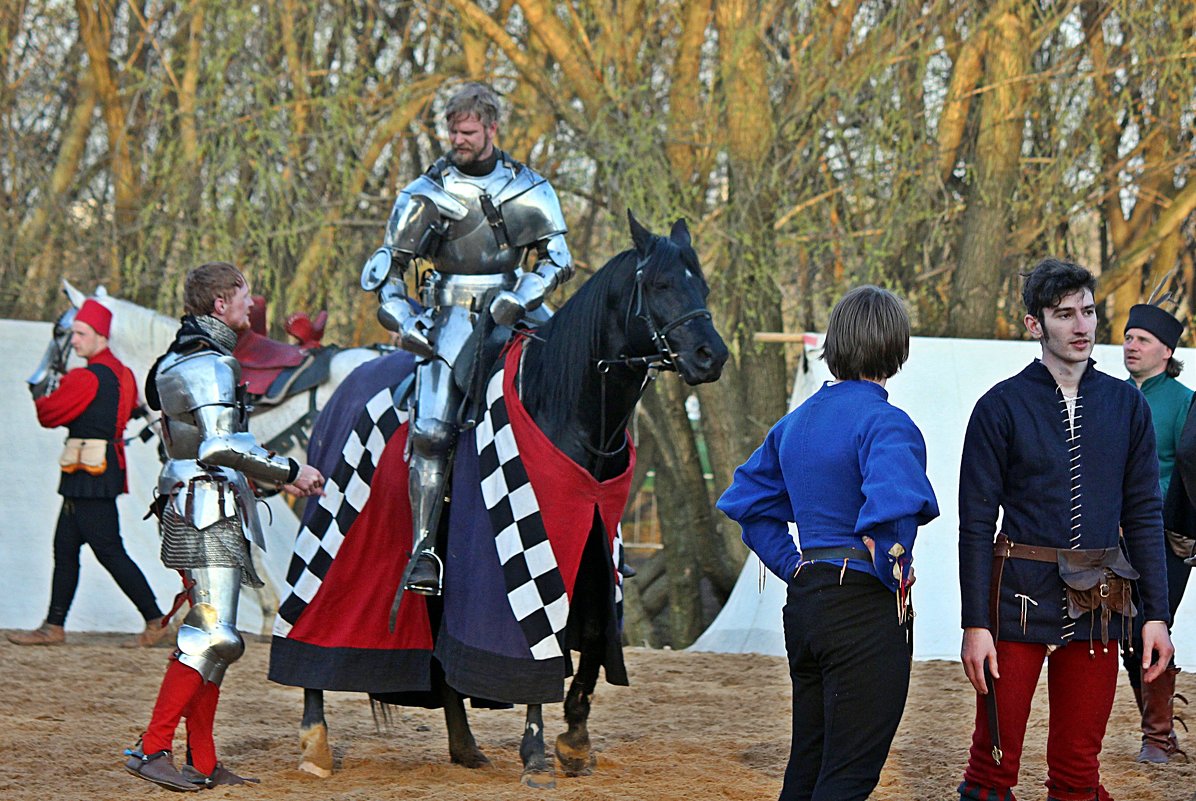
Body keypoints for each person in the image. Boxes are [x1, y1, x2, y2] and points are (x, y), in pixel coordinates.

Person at [957, 258, 1174, 801]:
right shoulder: (1000, 406)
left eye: (1089, 312)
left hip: (1101, 599)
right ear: (1035, 325)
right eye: (1063, 314)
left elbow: (1145, 514)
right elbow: (976, 523)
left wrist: (1157, 616)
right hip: (1019, 595)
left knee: (1079, 769)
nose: (1081, 327)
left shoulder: (1126, 405)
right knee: (992, 765)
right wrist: (974, 623)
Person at [718, 285, 939, 801]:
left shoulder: (793, 424)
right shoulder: (887, 423)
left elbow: (746, 502)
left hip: (806, 600)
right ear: (895, 347)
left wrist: (793, 566)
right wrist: (891, 571)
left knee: (808, 763)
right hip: (862, 605)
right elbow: (893, 511)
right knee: (849, 775)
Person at [359, 81, 573, 595]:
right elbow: (389, 269)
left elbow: (557, 259)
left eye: (469, 131)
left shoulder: (527, 188)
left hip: (517, 307)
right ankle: (424, 551)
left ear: (492, 129)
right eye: (453, 130)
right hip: (449, 316)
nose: (459, 139)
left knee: (575, 391)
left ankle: (597, 535)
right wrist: (402, 320)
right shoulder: (425, 194)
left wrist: (521, 296)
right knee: (432, 432)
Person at [124, 262, 324, 792]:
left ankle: (204, 760)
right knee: (214, 634)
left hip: (206, 499)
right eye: (244, 296)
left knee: (215, 637)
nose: (250, 305)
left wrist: (268, 480)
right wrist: (289, 471)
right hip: (203, 504)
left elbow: (204, 445)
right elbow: (218, 446)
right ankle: (151, 748)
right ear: (219, 304)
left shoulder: (188, 357)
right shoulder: (208, 364)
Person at [8, 298, 169, 648]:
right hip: (97, 469)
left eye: (81, 334)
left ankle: (155, 619)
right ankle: (54, 626)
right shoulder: (124, 374)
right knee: (64, 546)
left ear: (100, 336)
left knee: (109, 550)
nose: (76, 341)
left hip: (89, 472)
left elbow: (48, 415)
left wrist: (44, 390)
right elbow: (125, 414)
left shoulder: (86, 377)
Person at [1122, 302, 1192, 762]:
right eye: (1128, 337)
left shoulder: (1186, 401)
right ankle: (1156, 731)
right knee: (1127, 633)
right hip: (1111, 534)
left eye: (1142, 340)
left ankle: (1158, 736)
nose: (1131, 345)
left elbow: (1190, 469)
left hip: (1166, 534)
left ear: (1166, 351)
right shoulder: (1106, 394)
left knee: (1152, 625)